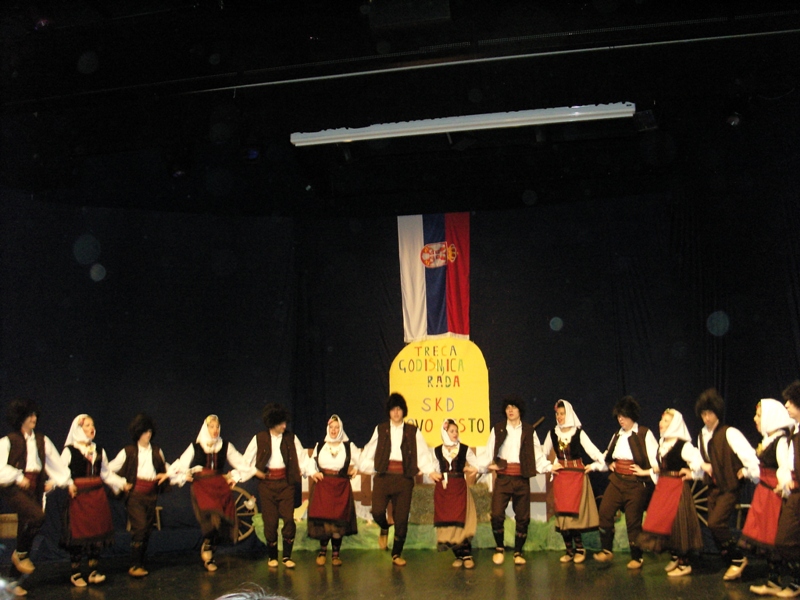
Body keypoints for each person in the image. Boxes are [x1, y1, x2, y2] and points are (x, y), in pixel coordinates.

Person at [358, 393, 440, 566]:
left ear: (404, 411)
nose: (396, 413)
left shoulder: (412, 431)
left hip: (404, 478)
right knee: (377, 511)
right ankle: (384, 527)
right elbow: (369, 451)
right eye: (393, 409)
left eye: (399, 409)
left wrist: (431, 471)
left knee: (401, 519)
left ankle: (396, 553)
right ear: (388, 412)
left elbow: (423, 454)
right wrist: (366, 466)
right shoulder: (381, 429)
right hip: (383, 477)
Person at [0, 398, 71, 597]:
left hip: (35, 488)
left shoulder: (42, 440)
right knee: (37, 517)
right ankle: (19, 555)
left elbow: (57, 464)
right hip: (15, 488)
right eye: (29, 415)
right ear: (20, 417)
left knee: (27, 530)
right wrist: (18, 476)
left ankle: (13, 581)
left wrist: (57, 482)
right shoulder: (8, 441)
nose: (34, 419)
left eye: (34, 415)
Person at [169, 415, 255, 572]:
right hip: (202, 487)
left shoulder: (225, 446)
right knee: (210, 519)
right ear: (206, 428)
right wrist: (182, 476)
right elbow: (181, 464)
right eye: (211, 426)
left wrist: (234, 476)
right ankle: (208, 555)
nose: (215, 430)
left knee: (222, 522)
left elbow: (243, 465)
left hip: (219, 486)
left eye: (217, 427)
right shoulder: (196, 447)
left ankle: (209, 549)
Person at [695, 388, 760, 581]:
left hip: (730, 486)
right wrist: (699, 469)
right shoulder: (701, 436)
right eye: (703, 414)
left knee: (716, 523)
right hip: (713, 487)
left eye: (710, 413)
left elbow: (750, 457)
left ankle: (738, 558)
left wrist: (746, 471)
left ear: (717, 413)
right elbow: (703, 462)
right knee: (713, 526)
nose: (707, 418)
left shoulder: (729, 433)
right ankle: (730, 558)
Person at [589, 395, 657, 569]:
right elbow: (607, 455)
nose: (621, 419)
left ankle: (637, 557)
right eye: (619, 416)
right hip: (617, 481)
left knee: (633, 521)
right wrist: (605, 465)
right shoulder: (617, 435)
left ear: (632, 415)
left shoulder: (644, 433)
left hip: (635, 483)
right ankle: (606, 550)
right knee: (605, 511)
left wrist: (645, 472)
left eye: (624, 416)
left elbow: (656, 461)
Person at [483, 394, 551, 566]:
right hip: (503, 478)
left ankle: (518, 552)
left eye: (513, 407)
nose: (510, 410)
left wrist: (549, 467)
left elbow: (537, 455)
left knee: (523, 517)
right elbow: (488, 453)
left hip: (521, 478)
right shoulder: (498, 429)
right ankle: (499, 548)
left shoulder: (528, 430)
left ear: (520, 410)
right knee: (497, 514)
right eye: (507, 408)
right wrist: (480, 467)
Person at [60, 414, 126, 587]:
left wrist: (121, 483)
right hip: (79, 498)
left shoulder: (99, 450)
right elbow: (60, 471)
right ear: (78, 429)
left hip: (97, 497)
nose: (91, 428)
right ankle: (76, 573)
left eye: (92, 425)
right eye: (87, 425)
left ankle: (93, 571)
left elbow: (106, 474)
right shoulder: (70, 451)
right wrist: (66, 484)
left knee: (96, 534)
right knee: (79, 534)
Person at [637, 409, 704, 577]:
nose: (661, 423)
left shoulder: (683, 445)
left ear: (675, 424)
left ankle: (684, 563)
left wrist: (693, 474)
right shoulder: (663, 443)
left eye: (666, 421)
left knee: (678, 524)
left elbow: (699, 462)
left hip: (677, 488)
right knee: (664, 523)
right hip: (664, 487)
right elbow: (660, 467)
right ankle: (674, 557)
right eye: (662, 420)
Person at [739, 398, 794, 597]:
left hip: (773, 496)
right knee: (765, 539)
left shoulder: (781, 442)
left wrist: (783, 486)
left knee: (773, 539)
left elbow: (786, 467)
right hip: (764, 494)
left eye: (759, 415)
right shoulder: (769, 440)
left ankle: (780, 580)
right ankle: (773, 581)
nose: (755, 419)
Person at [241, 403, 307, 569]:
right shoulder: (259, 438)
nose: (285, 426)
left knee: (289, 519)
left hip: (286, 484)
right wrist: (254, 472)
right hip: (267, 485)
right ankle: (272, 556)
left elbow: (303, 458)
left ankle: (287, 556)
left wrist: (309, 471)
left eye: (285, 423)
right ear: (273, 423)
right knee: (270, 522)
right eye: (281, 423)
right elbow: (245, 461)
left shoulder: (291, 438)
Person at [107, 413, 171, 578]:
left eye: (149, 431)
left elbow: (165, 467)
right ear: (138, 432)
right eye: (144, 431)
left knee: (147, 529)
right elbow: (108, 469)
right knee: (140, 527)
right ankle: (135, 564)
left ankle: (140, 562)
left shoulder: (156, 451)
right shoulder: (128, 451)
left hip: (151, 494)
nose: (148, 434)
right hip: (135, 495)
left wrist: (171, 473)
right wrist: (120, 483)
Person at [541, 399, 604, 564]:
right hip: (561, 478)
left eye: (562, 413)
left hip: (576, 477)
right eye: (557, 414)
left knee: (574, 517)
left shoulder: (578, 433)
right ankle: (569, 550)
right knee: (563, 517)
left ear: (568, 414)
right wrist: (548, 466)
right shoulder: (553, 433)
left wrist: (598, 464)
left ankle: (580, 549)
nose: (559, 417)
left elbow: (593, 451)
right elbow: (542, 453)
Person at [307, 415, 360, 566]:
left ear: (341, 429)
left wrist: (357, 468)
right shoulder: (320, 446)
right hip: (323, 486)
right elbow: (311, 463)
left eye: (337, 427)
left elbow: (362, 459)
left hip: (340, 486)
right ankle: (322, 552)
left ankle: (336, 555)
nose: (334, 430)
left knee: (338, 523)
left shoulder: (348, 446)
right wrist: (314, 472)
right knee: (324, 522)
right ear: (328, 428)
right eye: (331, 427)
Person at [432, 419, 479, 569]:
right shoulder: (437, 451)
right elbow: (434, 469)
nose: (455, 433)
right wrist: (436, 476)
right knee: (449, 523)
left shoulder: (464, 449)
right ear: (445, 432)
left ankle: (467, 555)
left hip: (459, 488)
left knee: (461, 521)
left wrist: (469, 468)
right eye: (452, 431)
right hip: (444, 490)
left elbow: (476, 464)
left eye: (456, 431)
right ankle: (458, 555)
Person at [777, 380, 800, 598]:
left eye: (791, 402)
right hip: (795, 493)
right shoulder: (795, 431)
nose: (786, 405)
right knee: (785, 539)